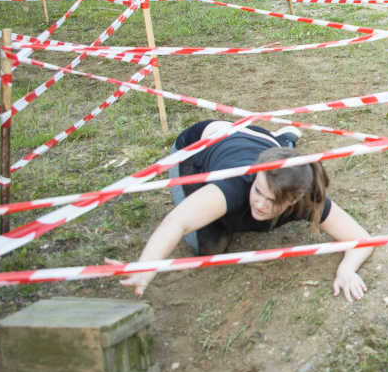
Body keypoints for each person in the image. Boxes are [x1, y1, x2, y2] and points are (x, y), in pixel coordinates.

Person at [117, 120, 374, 302]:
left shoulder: (305, 196)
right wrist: (145, 267)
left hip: (258, 139)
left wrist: (347, 269)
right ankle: (281, 140)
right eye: (259, 191)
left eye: (272, 200)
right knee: (207, 248)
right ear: (257, 175)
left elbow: (362, 239)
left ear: (294, 201)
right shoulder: (235, 185)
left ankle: (282, 139)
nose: (261, 203)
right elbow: (177, 221)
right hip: (199, 145)